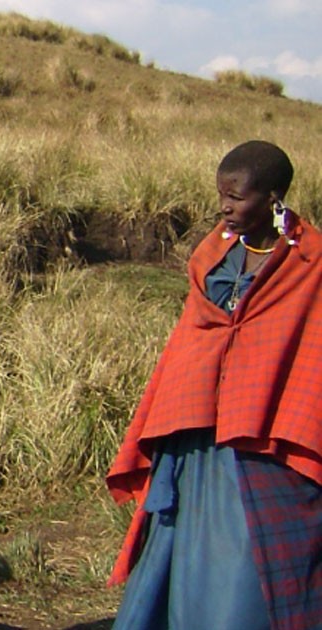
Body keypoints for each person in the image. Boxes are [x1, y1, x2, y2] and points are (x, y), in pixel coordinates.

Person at [107, 140, 321, 629]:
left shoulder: (309, 264)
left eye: (237, 196)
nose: (225, 206)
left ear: (273, 197)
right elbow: (196, 338)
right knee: (182, 556)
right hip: (199, 439)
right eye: (221, 194)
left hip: (267, 445)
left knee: (247, 568)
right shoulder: (215, 254)